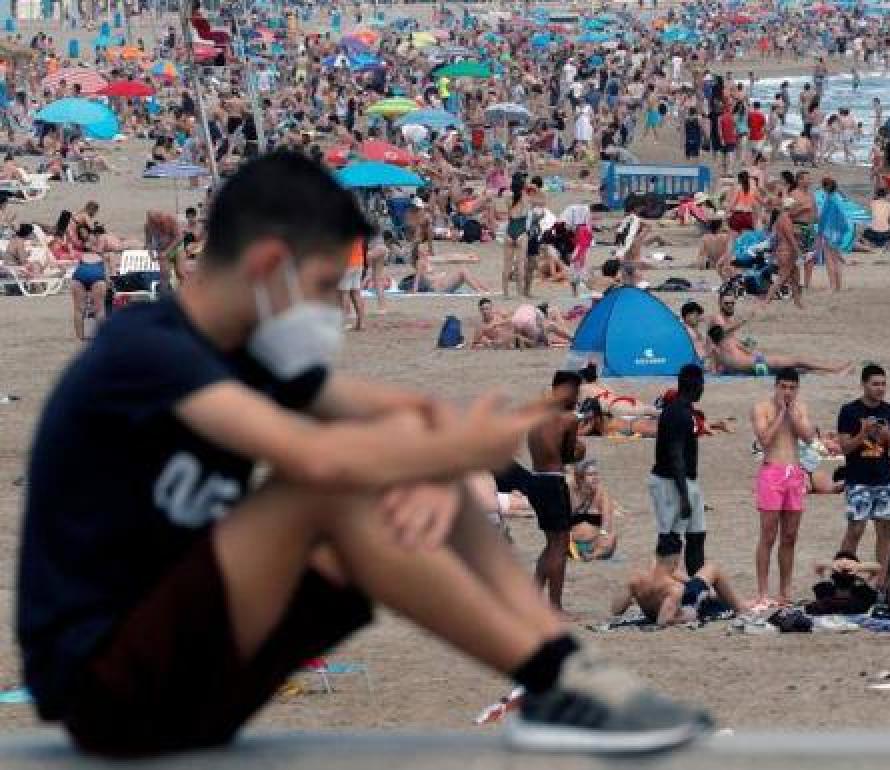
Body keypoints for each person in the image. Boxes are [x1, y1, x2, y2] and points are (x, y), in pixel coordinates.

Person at [17, 152, 708, 757]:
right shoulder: (148, 350)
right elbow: (318, 463)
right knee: (330, 490)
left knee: (416, 469)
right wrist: (440, 445)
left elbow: (399, 412)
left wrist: (448, 433)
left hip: (199, 671)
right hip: (105, 684)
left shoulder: (248, 355)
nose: (329, 310)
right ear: (266, 267)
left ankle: (559, 673)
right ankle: (553, 676)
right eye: (322, 288)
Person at [751, 368, 816, 606]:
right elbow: (765, 439)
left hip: (794, 474)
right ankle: (762, 591)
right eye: (783, 387)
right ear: (776, 386)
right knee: (768, 534)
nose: (787, 392)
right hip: (772, 472)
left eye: (792, 388)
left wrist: (793, 416)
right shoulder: (761, 408)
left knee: (790, 536)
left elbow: (809, 437)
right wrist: (780, 414)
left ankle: (785, 590)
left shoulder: (800, 409)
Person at [526, 370, 584, 612]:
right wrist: (580, 449)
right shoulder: (568, 419)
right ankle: (555, 607)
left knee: (551, 544)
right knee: (560, 545)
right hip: (553, 481)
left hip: (536, 479)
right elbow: (569, 456)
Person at [837, 364, 890, 577]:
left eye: (883, 384)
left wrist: (887, 434)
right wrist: (863, 433)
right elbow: (845, 448)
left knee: (884, 531)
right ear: (864, 384)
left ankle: (880, 580)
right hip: (858, 479)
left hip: (884, 478)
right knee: (855, 529)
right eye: (875, 384)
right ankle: (843, 576)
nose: (880, 389)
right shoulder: (849, 411)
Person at [648, 365, 708, 579]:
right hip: (669, 483)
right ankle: (659, 587)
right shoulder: (677, 415)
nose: (703, 389)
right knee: (671, 539)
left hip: (686, 481)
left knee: (697, 535)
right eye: (702, 384)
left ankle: (696, 588)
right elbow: (676, 457)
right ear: (696, 385)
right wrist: (684, 496)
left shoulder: (684, 411)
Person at [611, 544, 744, 627]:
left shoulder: (635, 579)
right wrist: (688, 616)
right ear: (676, 561)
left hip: (660, 596)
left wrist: (635, 600)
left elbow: (616, 610)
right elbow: (663, 621)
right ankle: (741, 608)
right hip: (684, 602)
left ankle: (716, 596)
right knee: (712, 569)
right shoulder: (674, 589)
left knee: (704, 588)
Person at [706, 324, 850, 376]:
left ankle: (831, 374)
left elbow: (715, 372)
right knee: (797, 361)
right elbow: (750, 352)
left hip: (752, 372)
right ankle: (834, 369)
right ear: (723, 334)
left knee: (796, 371)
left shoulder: (716, 352)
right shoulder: (730, 341)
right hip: (758, 363)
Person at [568, 459, 617, 562]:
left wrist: (603, 534)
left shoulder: (602, 494)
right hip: (572, 543)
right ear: (580, 478)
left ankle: (592, 555)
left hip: (594, 544)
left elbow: (607, 521)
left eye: (596, 474)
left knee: (611, 536)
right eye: (590, 475)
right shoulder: (571, 493)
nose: (595, 478)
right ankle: (577, 553)